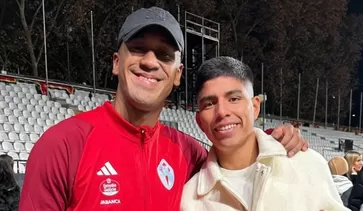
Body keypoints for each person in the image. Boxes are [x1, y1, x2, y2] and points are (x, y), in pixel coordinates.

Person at [19, 7, 307, 211]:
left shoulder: (187, 152)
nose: (150, 61)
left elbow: (238, 155)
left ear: (177, 73)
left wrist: (275, 137)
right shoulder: (64, 145)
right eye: (138, 48)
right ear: (117, 62)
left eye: (164, 55)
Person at [180, 57, 348, 211]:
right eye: (209, 104)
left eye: (234, 99)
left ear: (255, 107)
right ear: (199, 121)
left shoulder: (308, 164)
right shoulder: (190, 201)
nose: (222, 112)